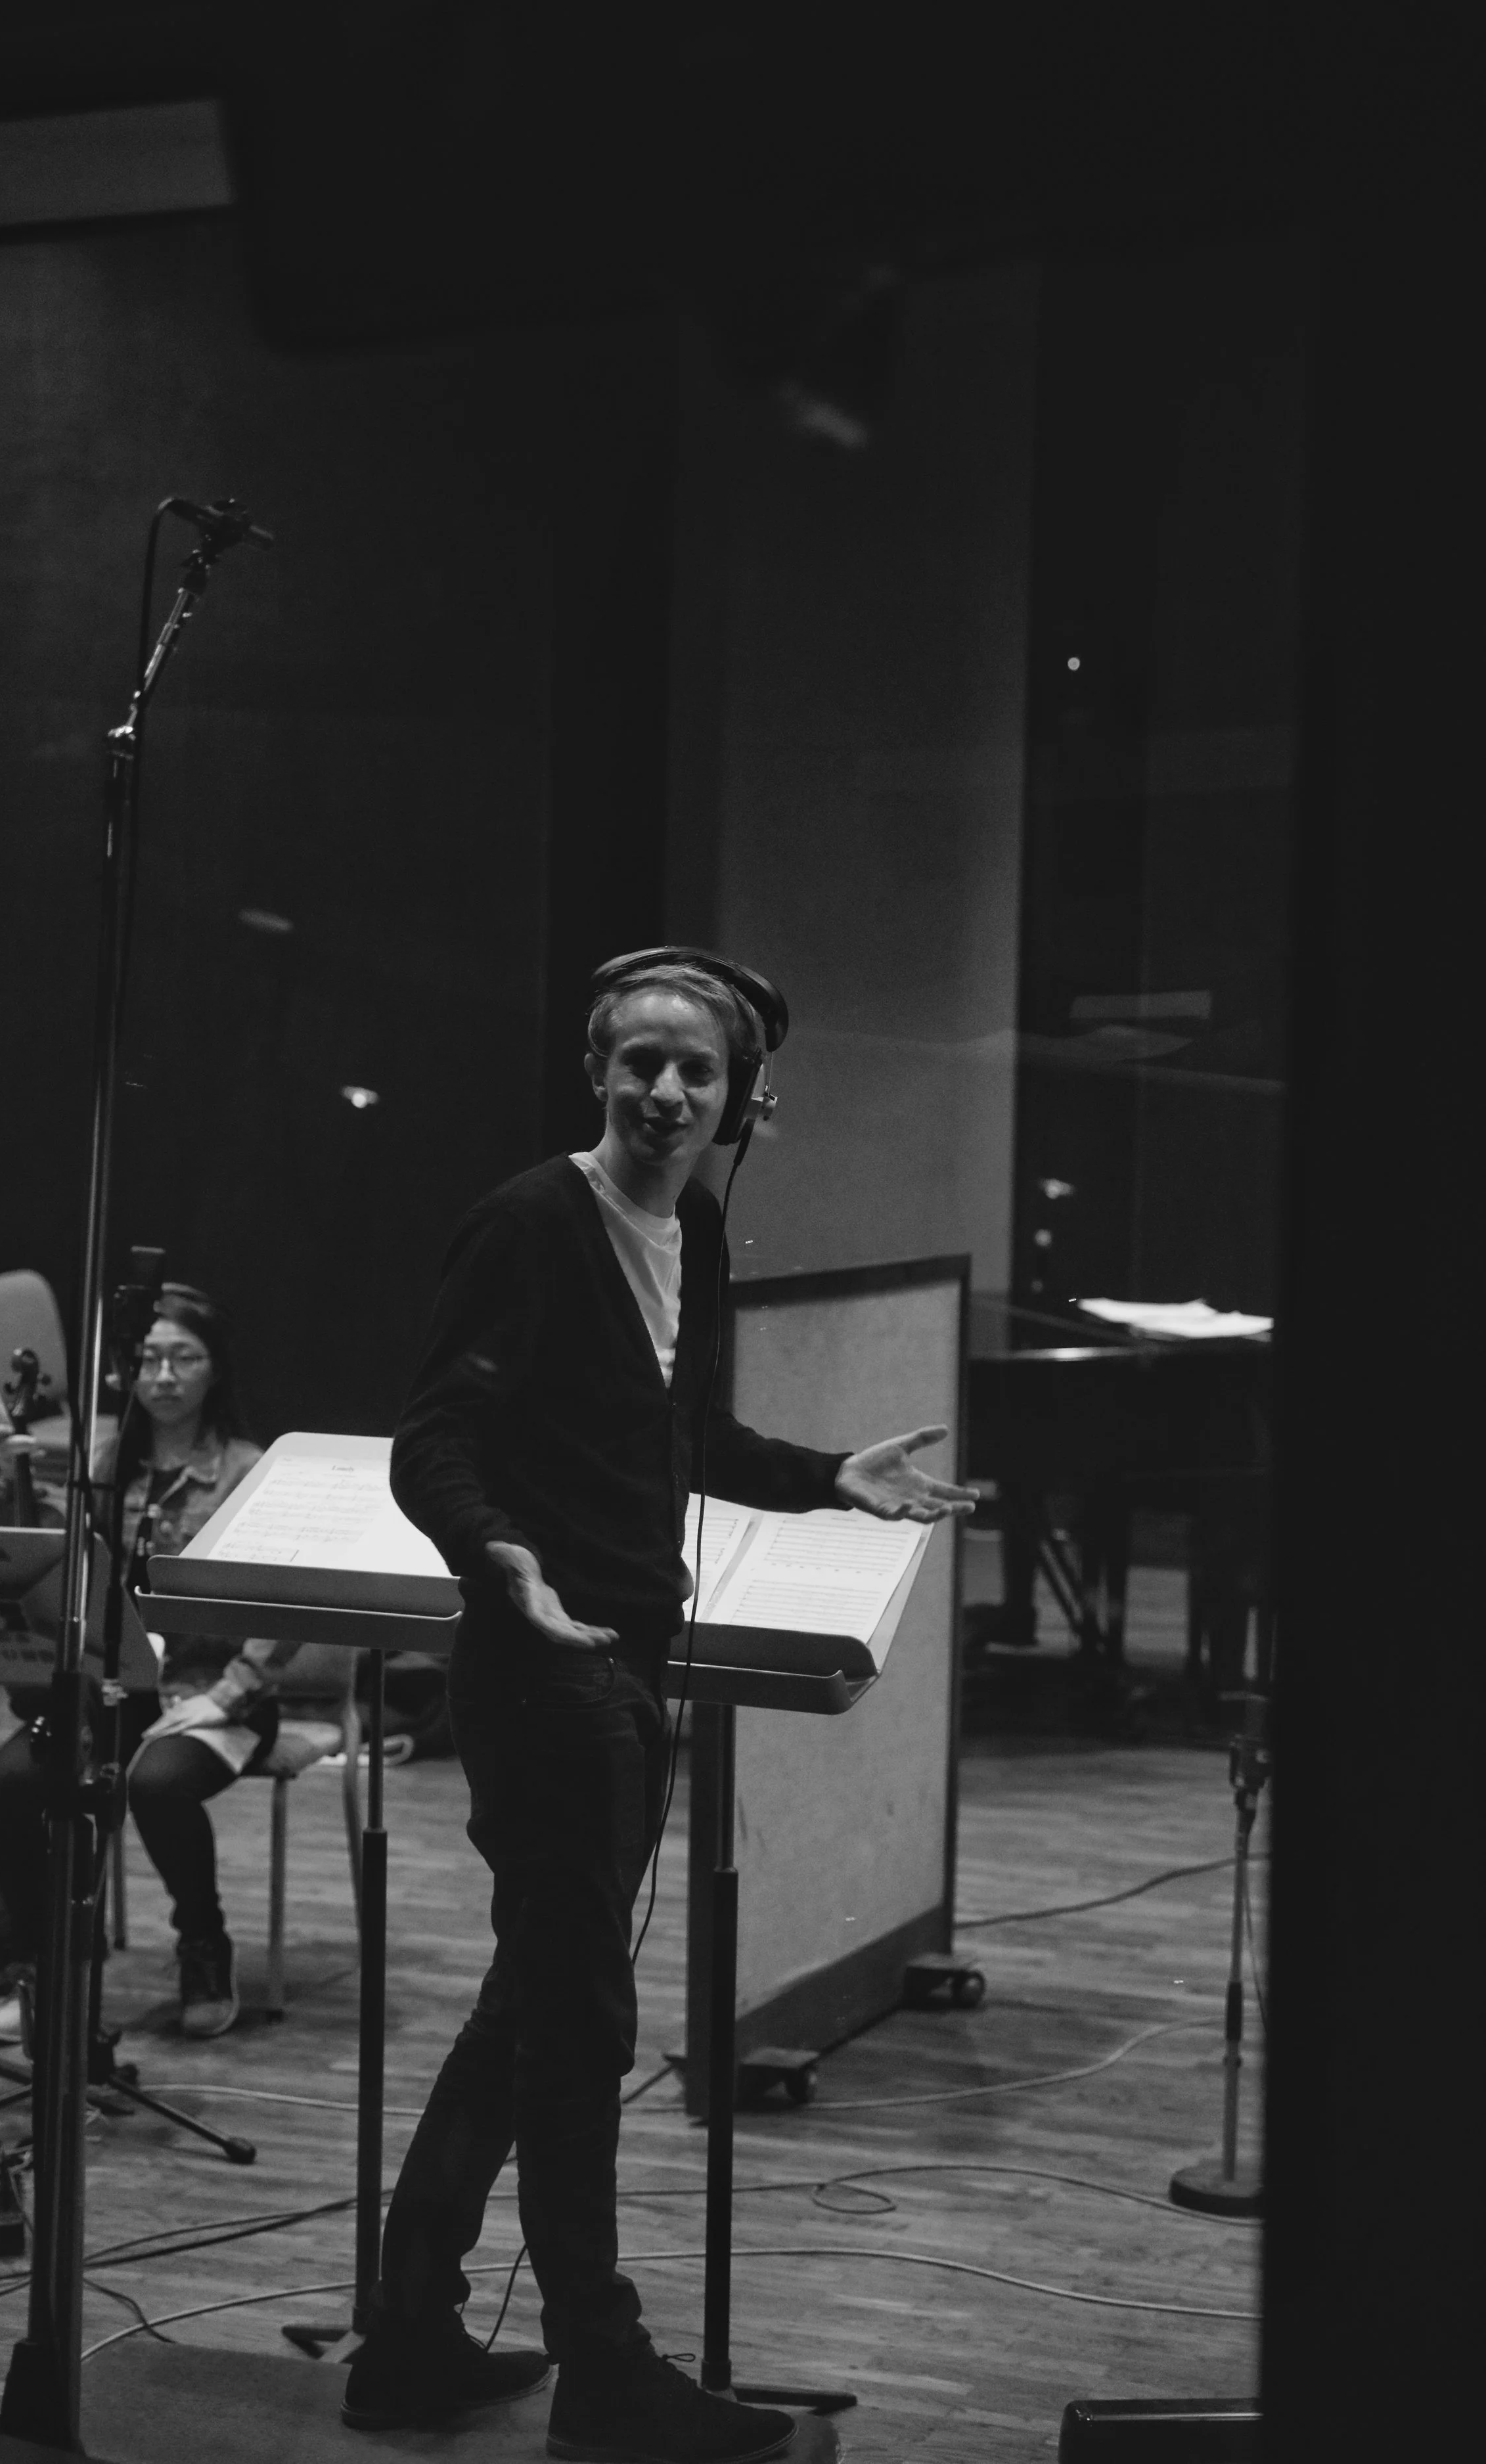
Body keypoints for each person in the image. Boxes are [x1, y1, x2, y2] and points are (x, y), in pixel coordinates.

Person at [342, 949, 978, 2461]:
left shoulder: (689, 1224)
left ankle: (409, 2333)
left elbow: (681, 1435)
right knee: (578, 2028)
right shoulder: (527, 1223)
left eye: (698, 1069)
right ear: (597, 1070)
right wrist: (498, 1556)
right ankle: (604, 2370)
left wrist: (826, 1474)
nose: (668, 1090)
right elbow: (431, 1441)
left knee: (532, 2003)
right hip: (542, 1669)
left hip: (623, 1655)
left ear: (739, 1095)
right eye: (641, 1060)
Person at [0, 1283, 296, 2040]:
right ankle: (47, 1959)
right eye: (149, 1359)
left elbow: (282, 1601)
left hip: (212, 1694)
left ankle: (203, 1946)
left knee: (154, 1783)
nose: (162, 1376)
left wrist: (229, 1694)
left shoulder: (248, 1469)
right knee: (12, 1778)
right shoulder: (107, 1465)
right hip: (115, 1688)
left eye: (182, 1358)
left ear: (214, 1369)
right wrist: (9, 1480)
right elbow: (48, 1562)